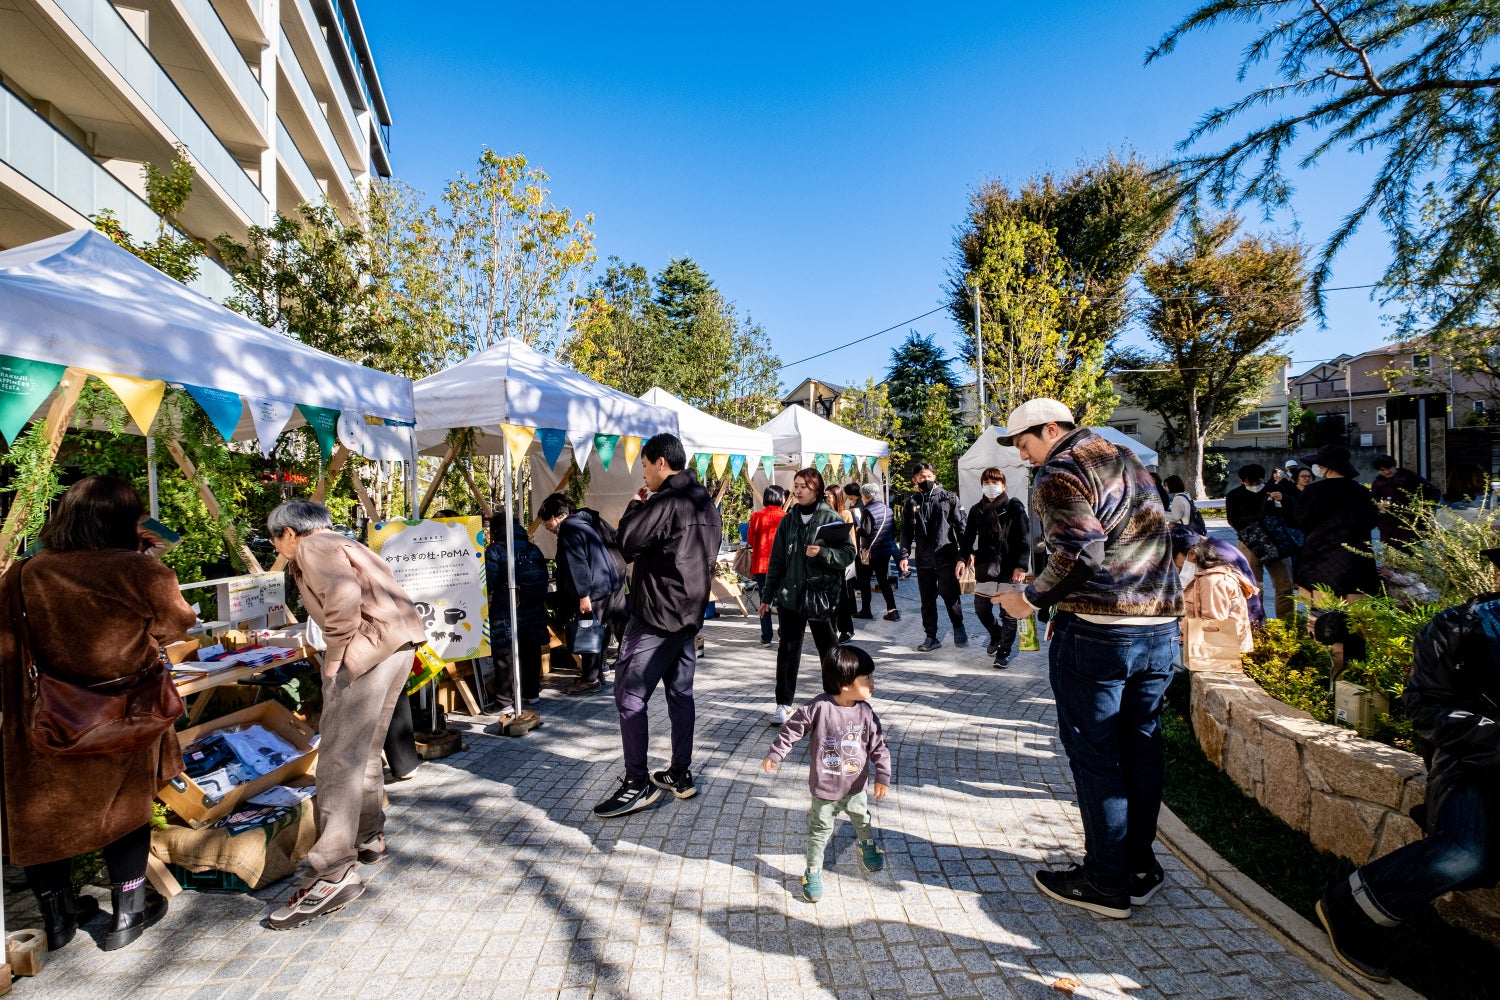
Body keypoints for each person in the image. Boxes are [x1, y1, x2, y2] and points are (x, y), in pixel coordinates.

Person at [994, 399, 1182, 919]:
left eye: (1025, 444)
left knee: (1096, 757)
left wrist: (1030, 598)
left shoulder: (1059, 470)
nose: (1025, 456)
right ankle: (1139, 868)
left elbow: (1081, 551)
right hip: (1159, 626)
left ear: (1050, 429)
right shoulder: (1125, 457)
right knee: (1142, 750)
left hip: (1102, 633)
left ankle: (1105, 881)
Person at [0, 477, 196, 951]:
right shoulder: (140, 571)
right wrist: (150, 562)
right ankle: (127, 917)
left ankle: (60, 917)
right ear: (125, 521)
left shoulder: (24, 573)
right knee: (125, 807)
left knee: (41, 815)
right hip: (124, 710)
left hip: (43, 714)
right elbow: (177, 625)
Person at [1315, 550, 1500, 983]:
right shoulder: (1458, 627)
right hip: (1471, 767)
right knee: (1468, 852)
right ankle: (1351, 906)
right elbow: (1424, 708)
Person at [268, 499, 427, 930]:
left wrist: (337, 656)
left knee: (338, 760)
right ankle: (368, 835)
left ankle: (333, 871)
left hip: (368, 650)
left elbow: (342, 600)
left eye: (274, 537)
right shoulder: (345, 541)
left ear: (290, 533)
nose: (275, 546)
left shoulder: (312, 548)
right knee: (366, 749)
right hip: (398, 643)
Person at [594, 433, 722, 818]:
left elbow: (627, 541)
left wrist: (636, 504)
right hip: (688, 618)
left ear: (661, 463)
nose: (645, 474)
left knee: (629, 697)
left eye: (646, 466)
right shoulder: (706, 504)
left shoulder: (668, 501)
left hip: (656, 617)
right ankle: (680, 773)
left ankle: (637, 783)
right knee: (680, 695)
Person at [763, 645, 891, 904]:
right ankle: (812, 871)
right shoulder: (818, 707)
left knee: (862, 819)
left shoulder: (865, 712)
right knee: (819, 831)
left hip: (856, 788)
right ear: (845, 684)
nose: (872, 683)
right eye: (867, 678)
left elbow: (878, 745)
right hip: (824, 789)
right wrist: (776, 752)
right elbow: (792, 730)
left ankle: (866, 845)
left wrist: (882, 776)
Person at [761, 468, 855, 725]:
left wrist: (822, 554)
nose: (799, 490)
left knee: (829, 650)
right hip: (790, 596)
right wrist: (766, 596)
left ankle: (839, 701)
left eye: (804, 485)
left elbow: (848, 554)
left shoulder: (830, 517)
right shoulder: (788, 520)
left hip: (819, 595)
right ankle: (783, 704)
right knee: (788, 651)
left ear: (816, 488)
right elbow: (777, 561)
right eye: (796, 485)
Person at [540, 493, 624, 695]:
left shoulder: (569, 528)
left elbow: (578, 564)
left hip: (592, 591)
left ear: (554, 516)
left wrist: (583, 595)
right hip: (605, 586)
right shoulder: (583, 523)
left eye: (546, 523)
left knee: (588, 632)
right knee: (597, 631)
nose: (548, 528)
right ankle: (596, 674)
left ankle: (590, 679)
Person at [957, 467, 1032, 668]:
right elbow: (967, 538)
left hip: (1009, 567)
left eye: (995, 482)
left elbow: (1024, 538)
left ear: (1004, 484)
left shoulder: (1014, 507)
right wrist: (962, 559)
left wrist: (1021, 566)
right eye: (987, 482)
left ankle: (1004, 651)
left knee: (1008, 613)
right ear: (982, 485)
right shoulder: (976, 510)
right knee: (981, 608)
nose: (991, 486)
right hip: (986, 566)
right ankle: (995, 634)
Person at [1293, 445, 1382, 601]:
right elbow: (1372, 521)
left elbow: (1301, 521)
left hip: (1320, 554)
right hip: (1356, 555)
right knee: (1356, 615)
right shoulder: (1361, 491)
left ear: (1327, 466)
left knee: (1320, 612)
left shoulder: (1313, 491)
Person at [899, 462, 968, 652]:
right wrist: (904, 555)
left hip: (946, 556)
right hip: (923, 559)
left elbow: (962, 528)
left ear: (934, 477)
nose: (926, 480)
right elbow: (906, 531)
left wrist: (965, 555)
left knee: (950, 595)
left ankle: (958, 625)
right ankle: (931, 636)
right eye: (922, 477)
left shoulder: (948, 498)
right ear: (914, 480)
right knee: (927, 600)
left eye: (929, 476)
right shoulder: (912, 502)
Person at [485, 519, 550, 715]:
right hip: (534, 606)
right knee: (530, 648)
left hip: (506, 606)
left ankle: (504, 701)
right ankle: (532, 693)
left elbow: (489, 581)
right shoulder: (533, 548)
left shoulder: (495, 550)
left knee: (505, 652)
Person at [1225, 463, 1295, 619]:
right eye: (1250, 483)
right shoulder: (1234, 495)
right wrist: (1258, 519)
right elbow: (1233, 519)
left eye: (1258, 482)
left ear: (1263, 478)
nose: (1255, 486)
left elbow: (1293, 511)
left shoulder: (1276, 489)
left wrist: (1284, 499)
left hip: (1277, 542)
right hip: (1249, 543)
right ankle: (1256, 623)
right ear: (1242, 481)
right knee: (1252, 587)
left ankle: (1286, 624)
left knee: (1285, 586)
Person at [1178, 537, 1259, 653]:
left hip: (1222, 655)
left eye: (1176, 563)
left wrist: (1174, 628)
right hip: (1215, 650)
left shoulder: (1213, 581)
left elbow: (1213, 625)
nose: (1177, 568)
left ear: (1192, 554)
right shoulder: (1204, 577)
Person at [1171, 525, 1265, 625]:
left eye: (1173, 559)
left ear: (1192, 554)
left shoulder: (1213, 581)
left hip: (1225, 637)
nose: (1174, 567)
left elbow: (1212, 627)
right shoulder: (1205, 571)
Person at [1369, 455, 1440, 550]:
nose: (1386, 472)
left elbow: (1433, 491)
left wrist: (1424, 510)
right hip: (1388, 526)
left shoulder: (1410, 477)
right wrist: (1379, 507)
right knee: (1393, 556)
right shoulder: (1377, 483)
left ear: (1394, 466)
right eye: (1382, 470)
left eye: (1389, 468)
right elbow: (1373, 501)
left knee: (1412, 553)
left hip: (1410, 522)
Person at [748, 485, 788, 645]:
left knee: (764, 601)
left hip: (761, 565)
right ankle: (782, 634)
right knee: (782, 601)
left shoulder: (756, 516)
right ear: (780, 498)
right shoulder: (786, 517)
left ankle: (766, 637)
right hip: (782, 566)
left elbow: (750, 540)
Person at [854, 482, 899, 621]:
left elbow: (866, 531)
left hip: (870, 551)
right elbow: (892, 530)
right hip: (884, 551)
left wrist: (858, 529)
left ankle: (866, 610)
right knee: (883, 580)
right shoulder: (888, 509)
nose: (862, 498)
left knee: (864, 580)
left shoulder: (868, 510)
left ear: (867, 496)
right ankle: (893, 610)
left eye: (862, 495)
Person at [824, 485, 857, 642]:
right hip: (825, 560)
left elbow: (851, 539)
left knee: (842, 596)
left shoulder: (845, 514)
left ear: (836, 497)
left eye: (829, 496)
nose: (826, 499)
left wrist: (851, 559)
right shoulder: (822, 514)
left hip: (840, 560)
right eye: (825, 496)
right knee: (828, 597)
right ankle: (832, 628)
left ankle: (847, 629)